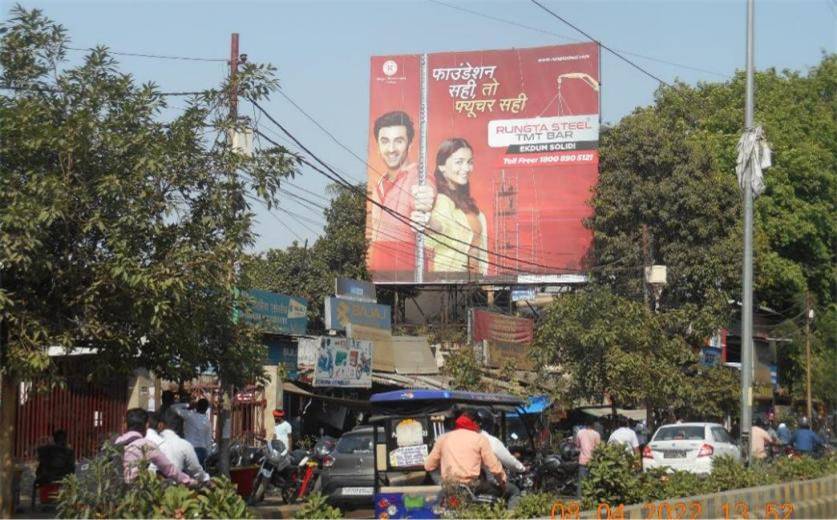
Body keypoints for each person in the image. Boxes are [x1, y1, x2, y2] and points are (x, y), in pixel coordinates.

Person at [367, 111, 436, 274]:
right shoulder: (379, 183)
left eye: (398, 141)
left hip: (409, 276)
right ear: (378, 146)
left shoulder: (419, 176)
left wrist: (425, 200)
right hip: (376, 275)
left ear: (410, 144)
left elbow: (426, 192)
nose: (391, 149)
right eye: (385, 141)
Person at [425, 138, 488, 274]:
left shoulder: (469, 206)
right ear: (441, 167)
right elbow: (438, 230)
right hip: (449, 283)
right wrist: (429, 222)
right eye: (459, 162)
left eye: (469, 162)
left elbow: (481, 251)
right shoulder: (442, 200)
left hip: (474, 282)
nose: (466, 168)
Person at [424, 410, 506, 496]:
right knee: (510, 491)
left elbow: (428, 466)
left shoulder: (443, 438)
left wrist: (441, 482)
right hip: (472, 487)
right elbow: (494, 468)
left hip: (449, 488)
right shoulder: (480, 439)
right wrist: (502, 482)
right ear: (475, 423)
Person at [115, 408, 194, 485]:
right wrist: (188, 481)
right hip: (134, 491)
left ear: (125, 426)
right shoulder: (147, 445)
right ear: (147, 425)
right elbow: (169, 469)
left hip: (112, 490)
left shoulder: (115, 442)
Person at [474, 409, 524, 506]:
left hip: (466, 483)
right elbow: (509, 462)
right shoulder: (490, 440)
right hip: (487, 483)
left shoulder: (466, 438)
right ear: (488, 424)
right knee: (514, 491)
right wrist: (522, 468)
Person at [148, 412, 209, 482]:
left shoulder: (150, 440)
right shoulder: (184, 445)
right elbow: (196, 471)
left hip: (151, 486)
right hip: (176, 488)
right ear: (180, 428)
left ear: (160, 425)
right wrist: (207, 480)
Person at [172, 398, 213, 467]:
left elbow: (173, 407)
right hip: (202, 451)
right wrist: (208, 454)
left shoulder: (190, 416)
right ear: (206, 409)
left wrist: (188, 405)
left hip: (189, 449)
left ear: (197, 406)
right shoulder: (207, 422)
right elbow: (208, 440)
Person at [575, 419, 601, 498]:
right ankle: (591, 499)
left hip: (582, 461)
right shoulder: (596, 434)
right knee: (592, 482)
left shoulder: (580, 432)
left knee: (581, 482)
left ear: (585, 424)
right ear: (593, 425)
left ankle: (579, 500)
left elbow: (577, 445)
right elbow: (599, 448)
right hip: (592, 461)